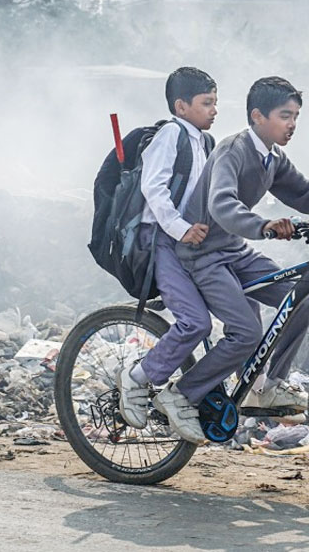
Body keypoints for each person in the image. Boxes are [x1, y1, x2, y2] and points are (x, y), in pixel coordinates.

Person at [173, 76, 309, 414]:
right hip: (203, 255)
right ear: (257, 116)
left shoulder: (272, 157)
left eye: (296, 116)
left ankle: (265, 388)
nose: (293, 124)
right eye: (285, 115)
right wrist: (264, 226)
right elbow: (221, 205)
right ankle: (181, 394)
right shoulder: (233, 150)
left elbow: (304, 192)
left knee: (299, 301)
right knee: (247, 332)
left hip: (232, 252)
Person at [116, 66, 218, 445]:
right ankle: (138, 378)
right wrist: (180, 228)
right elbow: (154, 189)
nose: (214, 110)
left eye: (215, 103)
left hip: (192, 243)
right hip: (163, 241)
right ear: (181, 105)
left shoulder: (205, 143)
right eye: (206, 103)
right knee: (195, 323)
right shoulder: (171, 134)